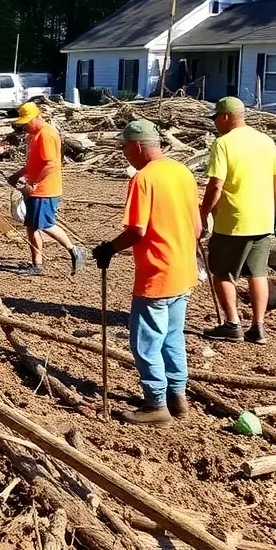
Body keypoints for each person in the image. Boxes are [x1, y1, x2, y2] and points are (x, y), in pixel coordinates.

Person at [92, 119, 201, 426]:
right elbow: (198, 227)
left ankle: (156, 404)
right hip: (184, 270)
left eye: (125, 147)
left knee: (145, 341)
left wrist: (109, 248)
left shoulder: (144, 179)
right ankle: (177, 396)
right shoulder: (183, 172)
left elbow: (137, 230)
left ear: (138, 146)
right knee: (172, 336)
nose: (124, 153)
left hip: (157, 273)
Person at [199, 96, 276, 345]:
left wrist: (204, 211)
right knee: (257, 274)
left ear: (226, 116)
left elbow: (216, 184)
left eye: (216, 117)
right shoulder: (265, 140)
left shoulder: (223, 143)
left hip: (233, 220)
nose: (215, 122)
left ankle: (232, 324)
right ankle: (258, 327)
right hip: (262, 218)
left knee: (222, 273)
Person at [7, 102, 87, 276]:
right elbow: (33, 163)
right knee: (31, 226)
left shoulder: (46, 134)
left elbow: (50, 164)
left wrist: (33, 184)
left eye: (27, 122)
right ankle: (37, 263)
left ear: (37, 117)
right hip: (35, 187)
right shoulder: (33, 135)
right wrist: (18, 174)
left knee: (44, 224)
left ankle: (74, 249)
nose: (25, 126)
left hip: (45, 189)